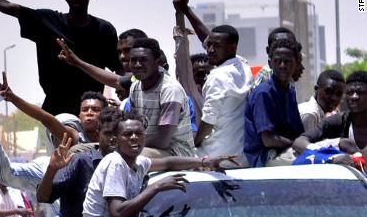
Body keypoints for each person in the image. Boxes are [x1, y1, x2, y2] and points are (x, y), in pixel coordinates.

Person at [82, 112, 233, 217]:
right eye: (127, 134)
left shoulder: (137, 162)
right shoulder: (116, 163)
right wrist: (157, 187)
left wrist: (205, 161)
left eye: (139, 134)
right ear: (115, 140)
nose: (134, 138)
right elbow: (118, 213)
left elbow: (167, 163)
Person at [61, 37, 193, 157]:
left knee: (119, 157)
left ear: (157, 61)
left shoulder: (170, 89)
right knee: (77, 151)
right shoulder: (136, 86)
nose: (137, 65)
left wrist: (121, 144)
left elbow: (163, 141)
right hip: (140, 145)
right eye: (133, 60)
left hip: (175, 151)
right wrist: (77, 62)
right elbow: (116, 80)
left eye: (143, 60)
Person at [38, 108, 120, 217]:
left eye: (119, 134)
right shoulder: (80, 162)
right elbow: (43, 196)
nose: (114, 139)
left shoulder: (131, 165)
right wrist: (52, 169)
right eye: (109, 133)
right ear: (97, 134)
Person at [243, 38, 307, 167]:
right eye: (278, 61)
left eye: (287, 61)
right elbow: (268, 140)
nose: (282, 65)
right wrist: (298, 144)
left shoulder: (290, 91)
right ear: (270, 63)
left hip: (285, 150)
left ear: (296, 64)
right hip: (265, 156)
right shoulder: (263, 93)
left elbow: (299, 133)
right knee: (315, 160)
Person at [195, 26, 251, 161]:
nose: (210, 50)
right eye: (209, 45)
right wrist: (186, 11)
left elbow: (208, 122)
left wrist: (195, 142)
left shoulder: (217, 76)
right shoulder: (244, 66)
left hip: (215, 156)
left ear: (233, 47)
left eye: (217, 46)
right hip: (242, 155)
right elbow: (208, 39)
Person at [292, 71, 367, 153]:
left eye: (360, 92)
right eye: (349, 92)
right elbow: (299, 142)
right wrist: (327, 155)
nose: (354, 97)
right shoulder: (338, 120)